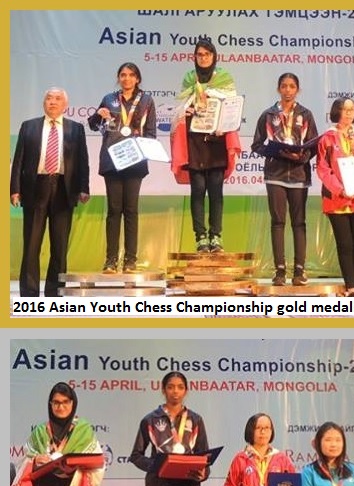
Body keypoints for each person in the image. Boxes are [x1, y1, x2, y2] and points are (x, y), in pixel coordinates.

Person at [10, 87, 90, 297]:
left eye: (57, 99)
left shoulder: (76, 129)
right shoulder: (29, 126)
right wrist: (15, 189)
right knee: (31, 244)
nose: (53, 102)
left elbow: (82, 161)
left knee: (60, 245)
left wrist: (84, 188)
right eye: (49, 98)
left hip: (64, 189)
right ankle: (29, 293)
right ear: (43, 103)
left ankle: (55, 292)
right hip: (35, 188)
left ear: (65, 105)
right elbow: (18, 160)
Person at [171, 39, 241, 253]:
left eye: (207, 54)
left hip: (216, 140)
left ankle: (216, 236)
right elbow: (180, 106)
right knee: (198, 189)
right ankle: (200, 237)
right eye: (200, 54)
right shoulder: (189, 78)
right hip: (195, 141)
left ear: (214, 56)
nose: (203, 58)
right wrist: (187, 110)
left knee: (216, 190)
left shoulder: (224, 77)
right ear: (195, 57)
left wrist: (223, 123)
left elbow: (231, 105)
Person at [87, 62, 157, 274]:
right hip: (112, 161)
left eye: (131, 75)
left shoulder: (146, 100)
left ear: (137, 79)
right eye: (123, 75)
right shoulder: (109, 99)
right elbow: (93, 125)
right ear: (119, 78)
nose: (127, 78)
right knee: (114, 210)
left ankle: (130, 260)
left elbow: (151, 133)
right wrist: (99, 115)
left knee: (131, 210)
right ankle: (110, 260)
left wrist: (141, 148)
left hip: (135, 161)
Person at [251, 73, 319, 287]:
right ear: (278, 89)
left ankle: (299, 270)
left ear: (297, 89)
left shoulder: (306, 114)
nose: (288, 90)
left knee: (299, 223)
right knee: (278, 222)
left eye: (292, 86)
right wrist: (275, 152)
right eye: (284, 86)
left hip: (299, 175)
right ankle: (279, 271)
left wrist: (302, 157)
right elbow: (256, 145)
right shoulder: (268, 115)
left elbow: (313, 145)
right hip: (275, 176)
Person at [316, 98, 354, 296]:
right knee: (345, 244)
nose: (349, 113)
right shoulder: (327, 138)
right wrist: (340, 189)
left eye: (352, 109)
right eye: (344, 109)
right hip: (338, 199)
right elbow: (323, 169)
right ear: (337, 112)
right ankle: (350, 287)